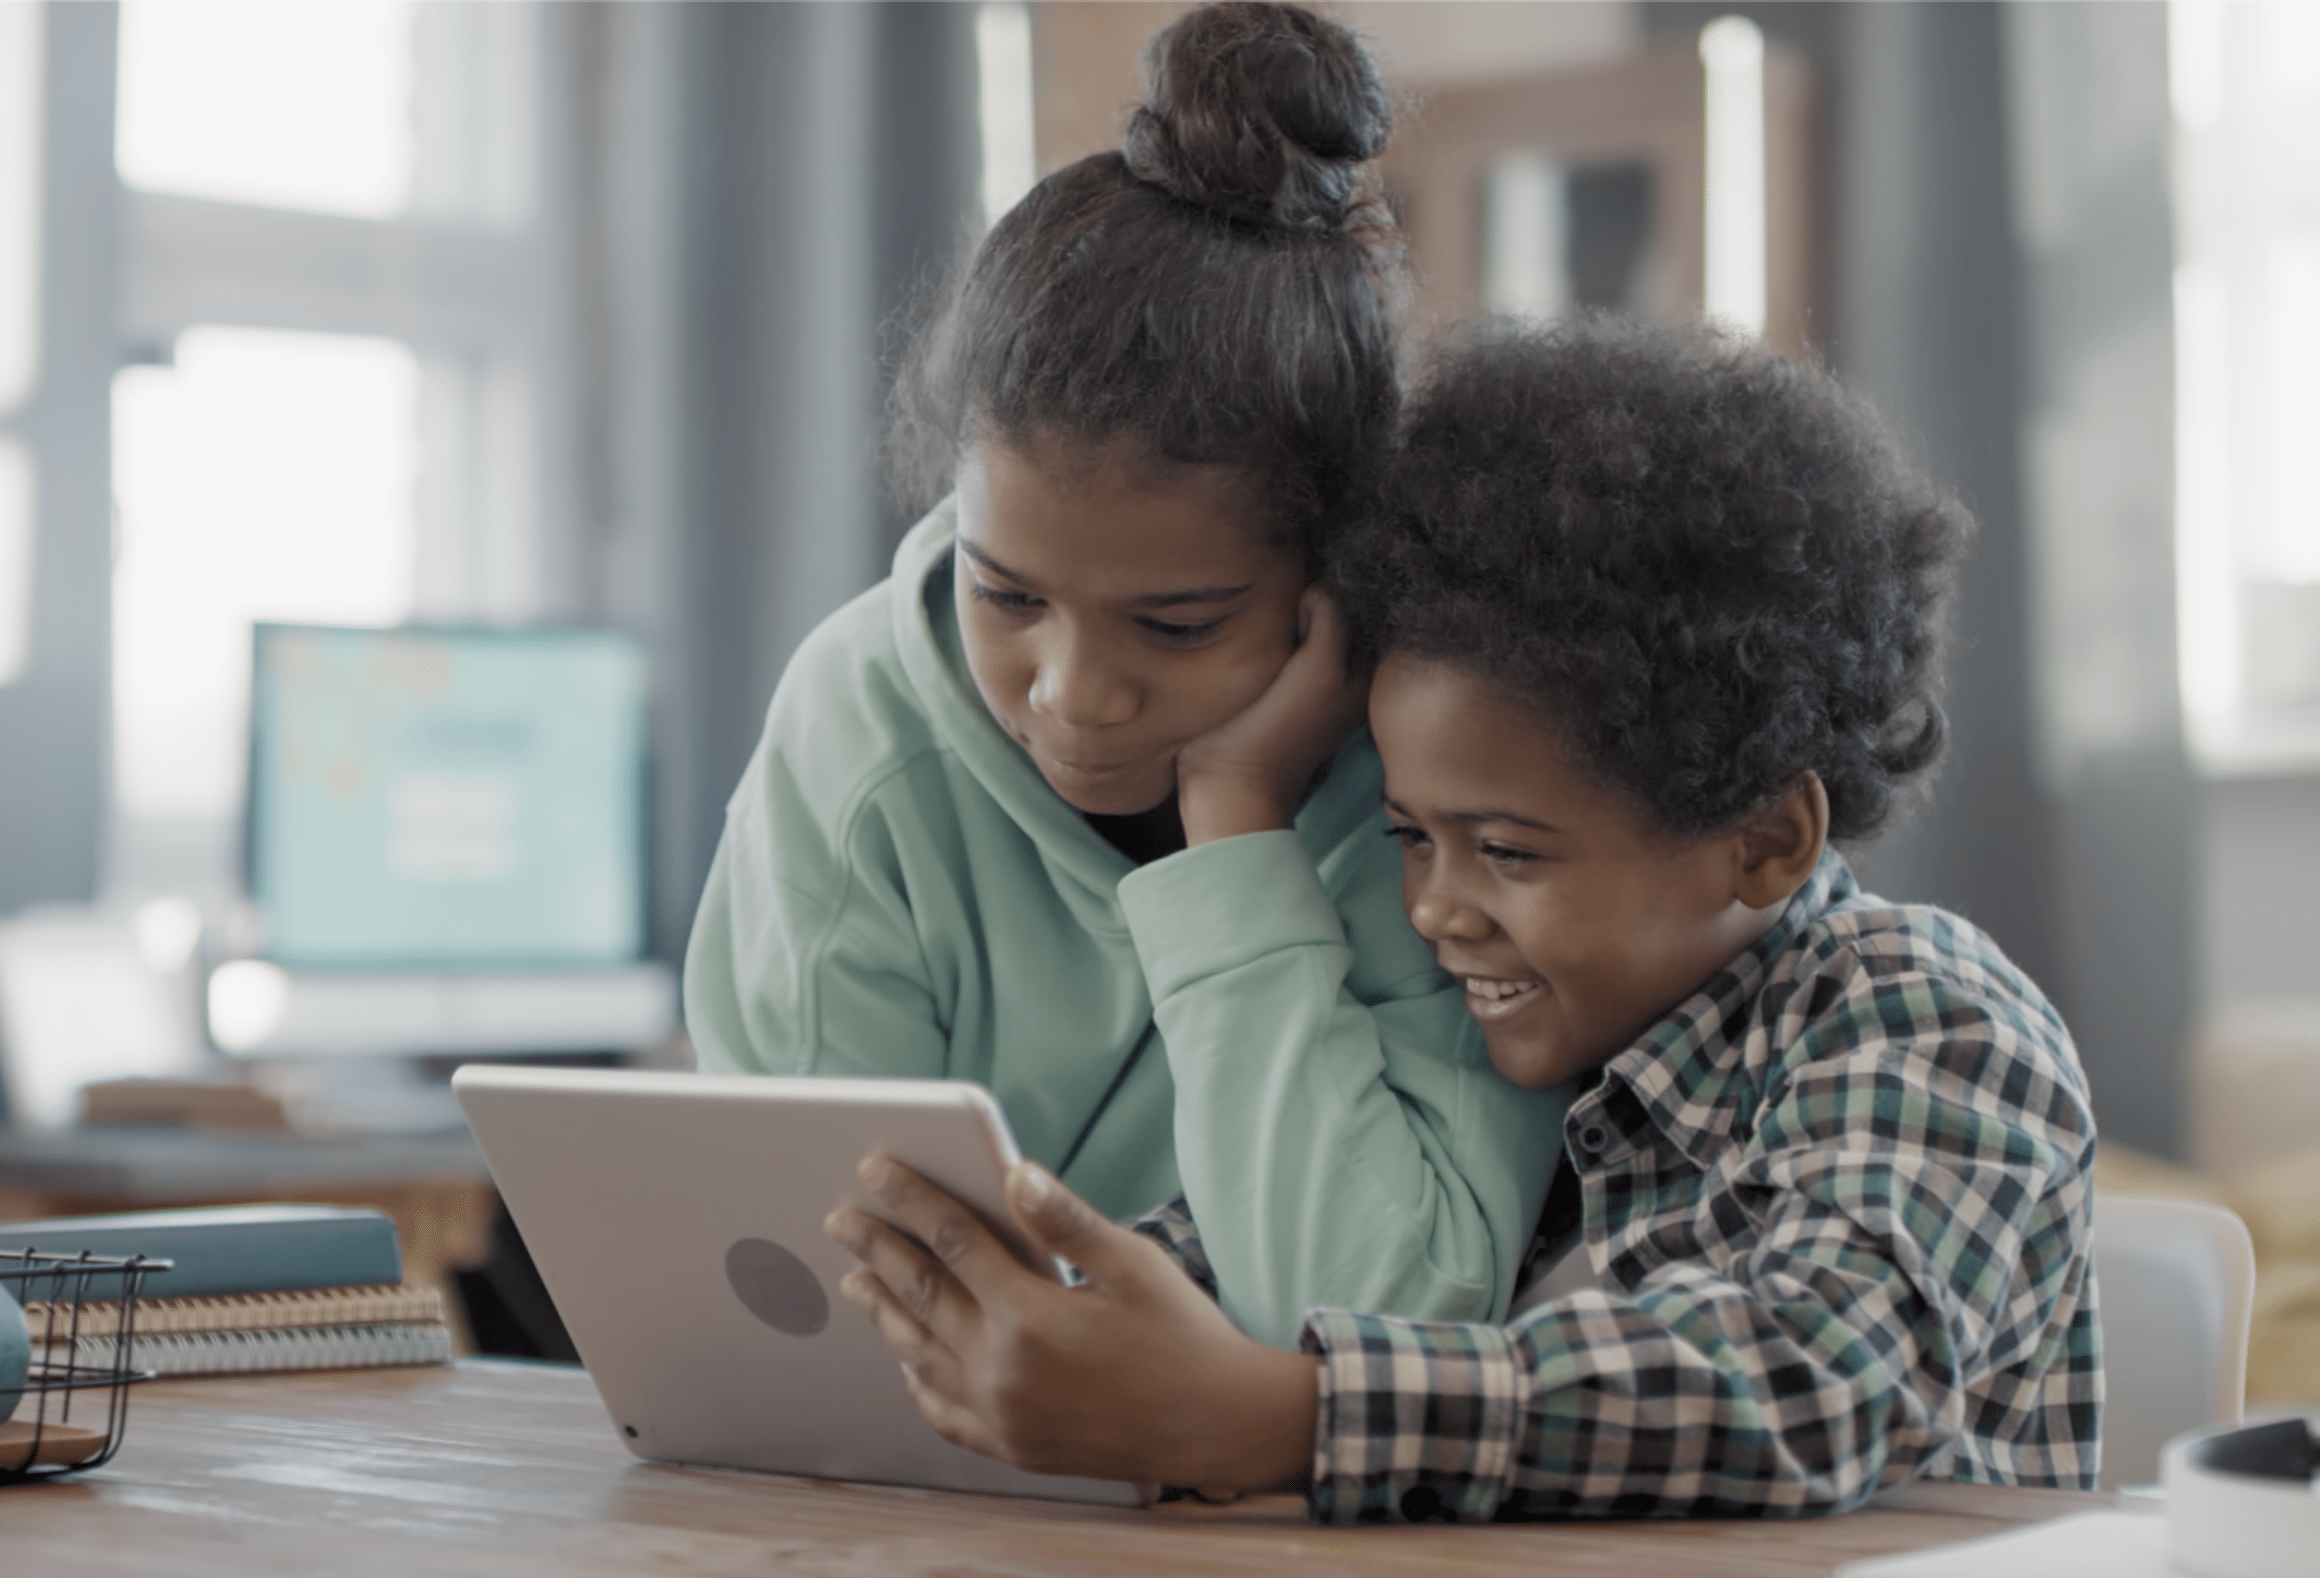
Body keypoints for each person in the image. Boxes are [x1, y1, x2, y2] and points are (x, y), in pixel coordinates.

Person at [824, 317, 2103, 1520]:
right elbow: (1216, 1271)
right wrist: (1038, 1332)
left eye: (1506, 851)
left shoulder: (1923, 1022)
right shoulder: (1499, 1040)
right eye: (1410, 835)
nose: (1435, 907)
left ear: (1764, 840)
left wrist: (1288, 1417)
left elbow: (1815, 1384)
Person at [684, 0, 1573, 1349]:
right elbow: (822, 1320)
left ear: (1339, 576)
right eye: (1009, 595)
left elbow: (1396, 1319)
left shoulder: (1439, 783)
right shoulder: (854, 722)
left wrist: (1235, 842)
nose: (1070, 695)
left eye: (1176, 623)